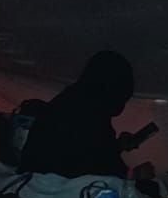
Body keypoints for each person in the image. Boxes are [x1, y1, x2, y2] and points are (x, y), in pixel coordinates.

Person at [18, 50, 150, 179]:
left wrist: (117, 146)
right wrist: (133, 175)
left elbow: (87, 150)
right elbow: (89, 165)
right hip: (54, 191)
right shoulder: (89, 112)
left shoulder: (72, 101)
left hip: (40, 185)